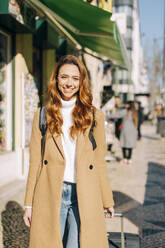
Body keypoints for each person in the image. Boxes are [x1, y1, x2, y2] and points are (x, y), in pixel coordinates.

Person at [23, 55, 114, 248]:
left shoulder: (94, 116)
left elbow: (99, 161)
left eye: (75, 78)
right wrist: (29, 204)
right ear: (56, 79)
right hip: (50, 192)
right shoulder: (42, 115)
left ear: (81, 82)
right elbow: (35, 163)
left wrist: (107, 199)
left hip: (83, 193)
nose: (69, 83)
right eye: (64, 77)